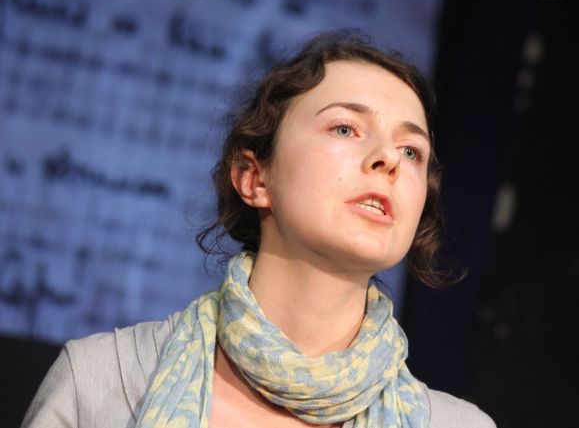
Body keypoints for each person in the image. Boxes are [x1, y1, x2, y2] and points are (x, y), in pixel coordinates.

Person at [21, 31, 496, 428]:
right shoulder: (99, 383)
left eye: (412, 151)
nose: (388, 159)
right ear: (253, 177)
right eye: (345, 128)